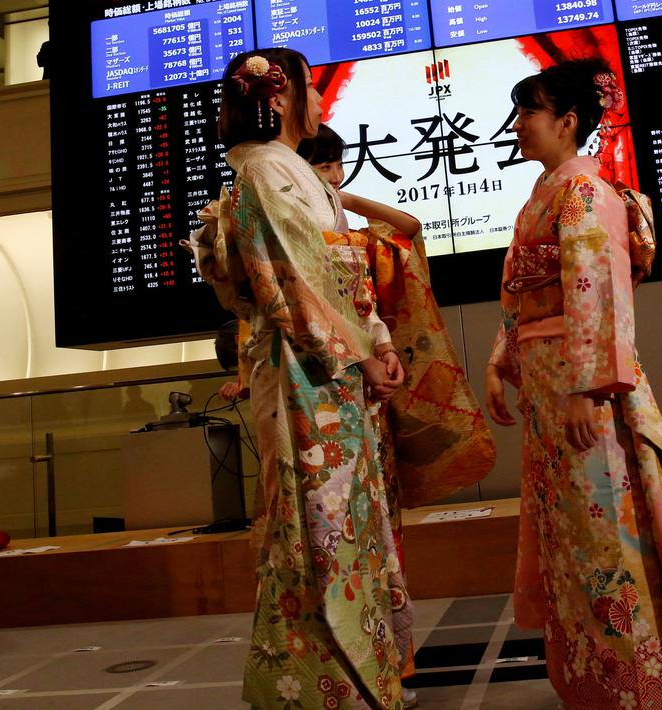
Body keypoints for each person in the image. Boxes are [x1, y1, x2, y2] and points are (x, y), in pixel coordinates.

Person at [484, 58, 662, 708]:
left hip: (583, 396)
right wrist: (501, 359)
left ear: (568, 121)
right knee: (570, 543)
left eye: (528, 111)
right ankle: (588, 682)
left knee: (604, 540)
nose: (518, 125)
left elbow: (595, 288)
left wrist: (588, 386)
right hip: (548, 392)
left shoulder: (584, 194)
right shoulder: (544, 195)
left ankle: (632, 688)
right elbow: (526, 296)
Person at [193, 48, 410, 709]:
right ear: (282, 98)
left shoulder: (291, 174)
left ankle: (359, 678)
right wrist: (360, 351)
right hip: (305, 368)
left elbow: (341, 276)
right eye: (313, 89)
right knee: (316, 523)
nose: (320, 102)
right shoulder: (264, 170)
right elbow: (291, 277)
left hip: (334, 368)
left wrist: (377, 338)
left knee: (347, 522)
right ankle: (322, 687)